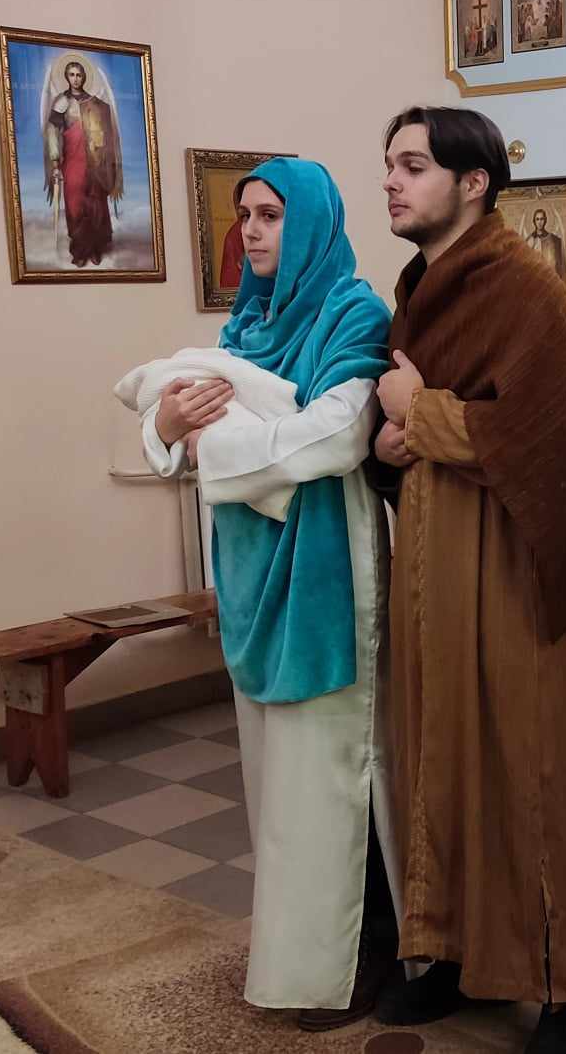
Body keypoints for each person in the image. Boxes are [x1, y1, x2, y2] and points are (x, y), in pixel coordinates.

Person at [369, 106, 566, 1054]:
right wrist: (390, 439)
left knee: (525, 765)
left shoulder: (522, 286)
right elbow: (405, 421)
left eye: (413, 166)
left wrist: (420, 412)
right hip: (429, 560)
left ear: (473, 184)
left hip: (507, 557)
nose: (392, 182)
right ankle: (455, 957)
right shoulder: (420, 289)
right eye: (389, 165)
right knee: (438, 755)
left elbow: (542, 430)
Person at [137, 159, 396, 1030]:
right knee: (279, 792)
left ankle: (358, 959)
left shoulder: (353, 312)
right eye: (244, 214)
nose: (250, 230)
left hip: (325, 573)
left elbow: (339, 435)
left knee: (337, 775)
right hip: (252, 575)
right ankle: (301, 955)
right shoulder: (245, 324)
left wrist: (212, 445)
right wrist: (168, 424)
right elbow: (174, 422)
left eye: (271, 214)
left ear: (312, 220)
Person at [44, 60, 123, 268]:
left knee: (96, 202)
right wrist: (55, 161)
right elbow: (52, 131)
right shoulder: (62, 102)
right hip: (73, 160)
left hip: (95, 162)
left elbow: (106, 135)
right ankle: (80, 250)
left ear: (84, 77)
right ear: (66, 77)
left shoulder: (95, 103)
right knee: (75, 204)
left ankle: (95, 248)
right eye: (71, 74)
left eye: (79, 75)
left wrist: (108, 162)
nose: (75, 79)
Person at [524, 208, 566, 281]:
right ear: (534, 221)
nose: (539, 222)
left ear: (545, 220)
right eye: (537, 219)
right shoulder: (529, 240)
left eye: (542, 219)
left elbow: (556, 265)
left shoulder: (553, 240)